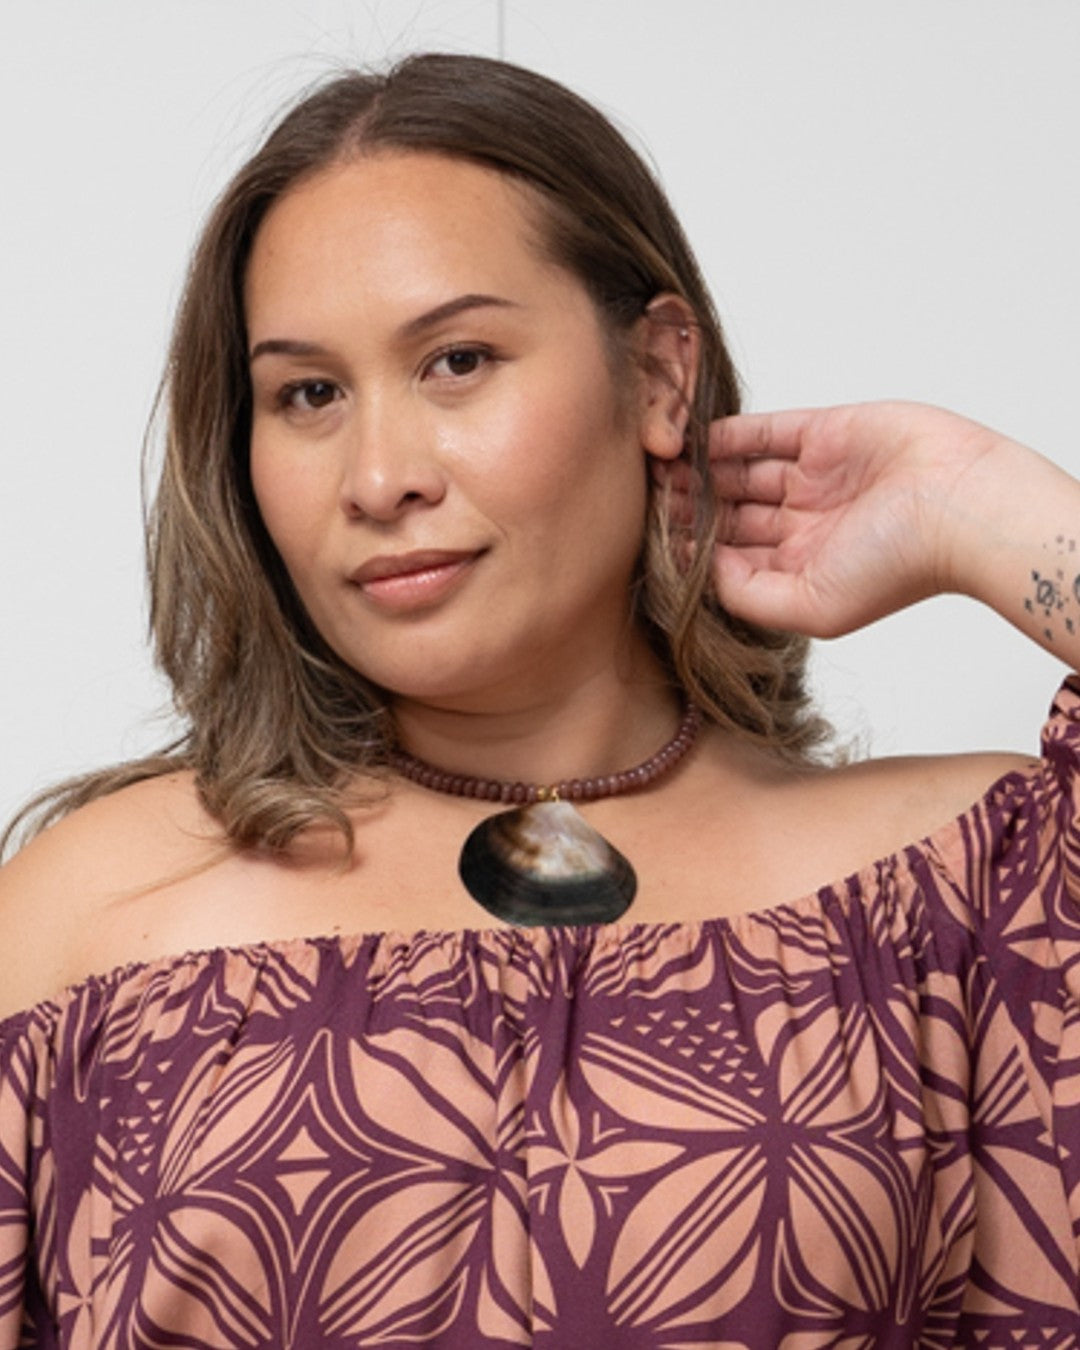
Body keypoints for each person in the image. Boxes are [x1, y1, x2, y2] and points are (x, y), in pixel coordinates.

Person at [1, 51, 1077, 1347]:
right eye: (308, 394)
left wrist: (984, 506)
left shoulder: (963, 893)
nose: (379, 472)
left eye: (456, 360)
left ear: (663, 377)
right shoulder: (81, 926)